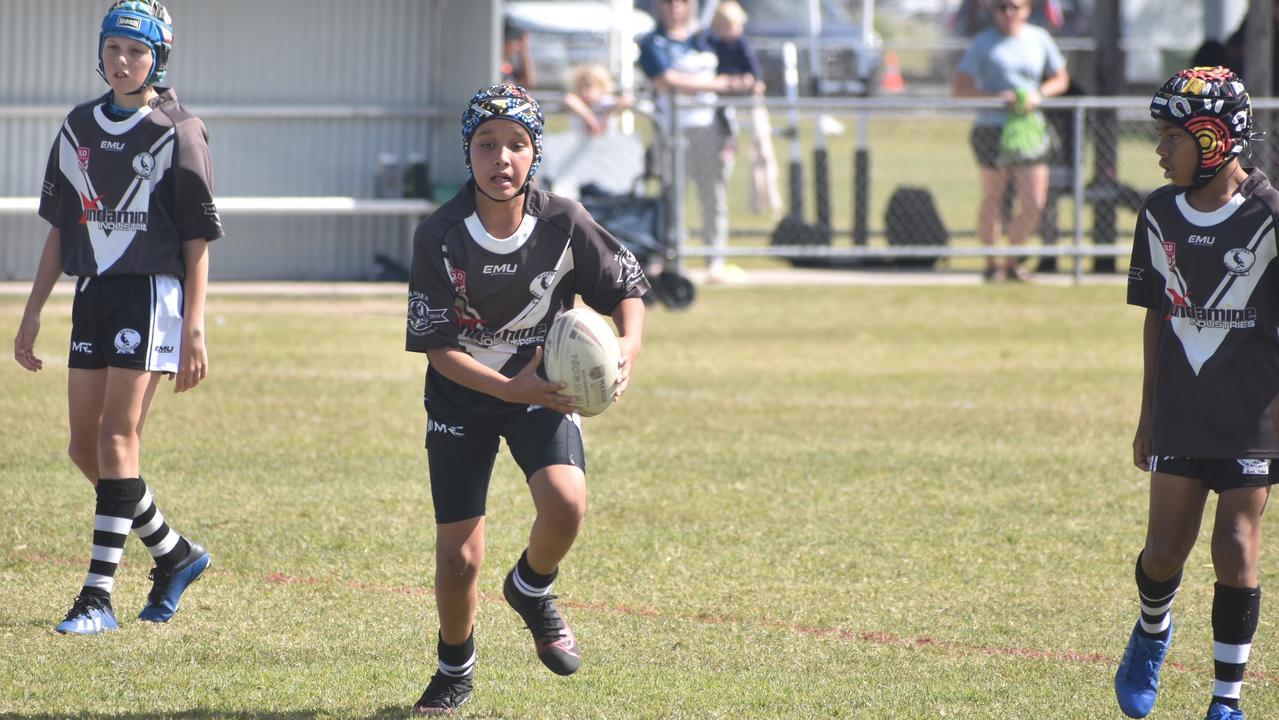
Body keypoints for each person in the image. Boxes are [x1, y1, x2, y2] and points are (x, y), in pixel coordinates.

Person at [404, 84, 649, 714]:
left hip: (543, 391)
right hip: (463, 396)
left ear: (535, 152)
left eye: (517, 144)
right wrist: (510, 387)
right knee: (459, 559)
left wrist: (627, 347)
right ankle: (454, 668)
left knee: (566, 505)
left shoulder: (564, 221)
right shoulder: (439, 235)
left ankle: (532, 589)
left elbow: (627, 288)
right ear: (469, 153)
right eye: (487, 144)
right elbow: (438, 349)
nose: (502, 157)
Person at [12, 0, 220, 635]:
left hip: (149, 295)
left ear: (159, 57)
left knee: (116, 438)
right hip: (93, 294)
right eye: (113, 49)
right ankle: (175, 553)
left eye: (137, 51)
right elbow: (59, 230)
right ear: (100, 53)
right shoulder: (77, 126)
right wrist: (31, 314)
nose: (124, 61)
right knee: (84, 447)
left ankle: (97, 597)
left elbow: (196, 238)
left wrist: (193, 325)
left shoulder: (180, 129)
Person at [1117, 66, 1272, 720]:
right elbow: (1156, 316)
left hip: (1251, 415)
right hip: (1182, 410)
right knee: (1162, 553)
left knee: (1235, 545)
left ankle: (1225, 702)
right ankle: (1152, 629)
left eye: (1169, 137)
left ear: (1211, 139)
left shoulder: (1267, 216)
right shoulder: (1157, 213)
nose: (1158, 149)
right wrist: (1147, 413)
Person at [952, 0, 1069, 282]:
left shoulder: (1039, 39)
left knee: (1034, 201)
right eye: (1001, 7)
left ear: (1027, 10)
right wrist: (995, 98)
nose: (1008, 13)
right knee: (993, 196)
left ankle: (1011, 262)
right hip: (992, 129)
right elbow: (961, 88)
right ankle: (991, 265)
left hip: (1028, 128)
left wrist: (1038, 94)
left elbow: (1060, 79)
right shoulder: (983, 43)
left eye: (1014, 7)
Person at [639, 0, 752, 284]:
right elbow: (666, 80)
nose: (676, 8)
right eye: (669, 3)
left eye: (682, 3)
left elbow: (738, 60)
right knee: (673, 197)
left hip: (710, 129)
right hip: (674, 131)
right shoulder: (654, 42)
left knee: (713, 195)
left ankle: (715, 260)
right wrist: (716, 84)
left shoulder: (706, 40)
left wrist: (746, 78)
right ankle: (672, 259)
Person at [562, 64, 632, 137]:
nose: (584, 91)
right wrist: (590, 119)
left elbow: (627, 100)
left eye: (589, 86)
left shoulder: (605, 102)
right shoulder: (579, 102)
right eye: (581, 87)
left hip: (606, 144)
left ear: (601, 87)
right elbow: (569, 99)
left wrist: (607, 115)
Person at [501, 19, 536, 89]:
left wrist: (525, 50)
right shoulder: (495, 63)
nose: (517, 47)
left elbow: (528, 82)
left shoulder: (509, 63)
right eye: (515, 42)